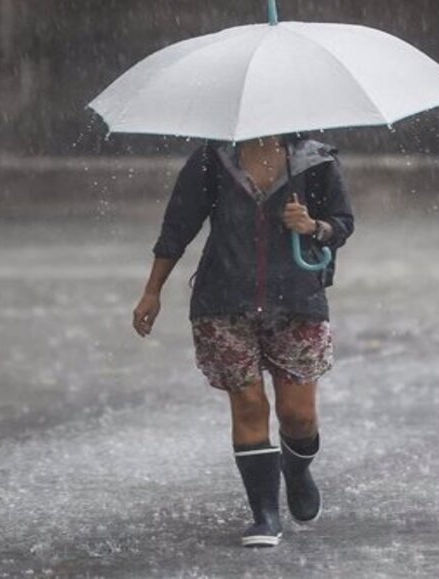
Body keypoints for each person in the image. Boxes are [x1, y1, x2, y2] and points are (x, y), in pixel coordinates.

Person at [131, 133, 354, 548]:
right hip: (223, 299)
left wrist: (313, 226)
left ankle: (297, 470)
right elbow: (178, 225)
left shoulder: (316, 160)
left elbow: (343, 222)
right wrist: (152, 290)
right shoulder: (213, 159)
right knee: (249, 404)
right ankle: (265, 515)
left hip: (297, 300)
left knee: (298, 417)